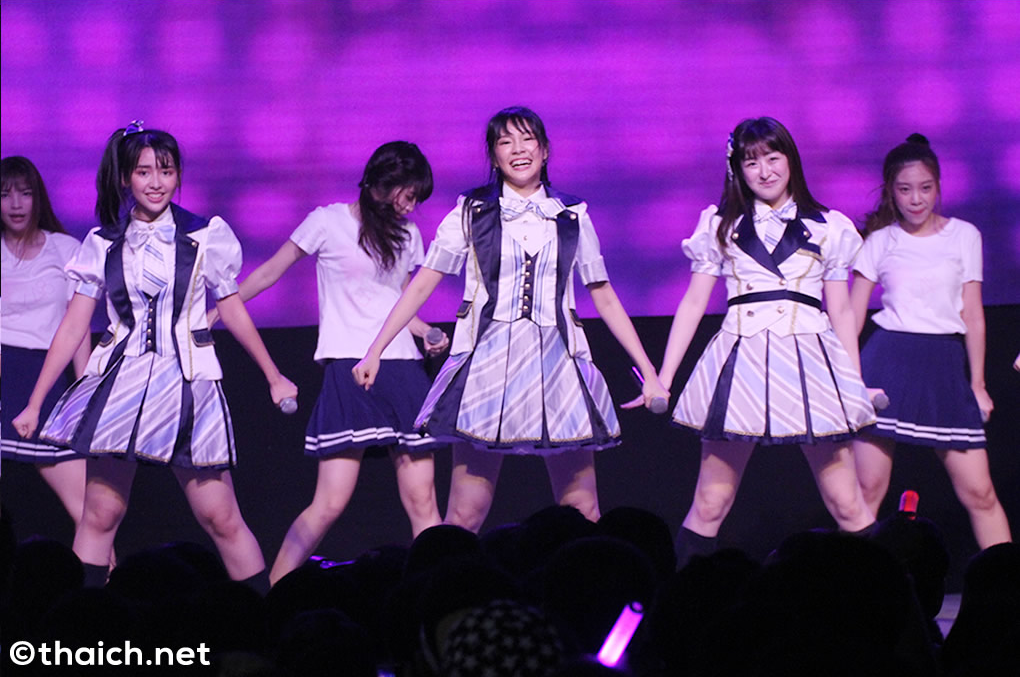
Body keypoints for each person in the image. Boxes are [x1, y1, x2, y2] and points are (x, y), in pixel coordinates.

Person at [12, 122, 298, 590]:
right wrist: (35, 401)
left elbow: (231, 308)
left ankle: (265, 620)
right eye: (144, 172)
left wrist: (273, 375)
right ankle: (83, 620)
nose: (156, 182)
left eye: (166, 171)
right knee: (100, 513)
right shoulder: (103, 243)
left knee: (220, 516)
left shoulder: (204, 235)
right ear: (127, 177)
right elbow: (73, 326)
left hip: (188, 382)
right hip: (120, 385)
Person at [353, 106, 668, 532]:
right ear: (494, 155)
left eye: (527, 139)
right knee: (465, 515)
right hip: (488, 366)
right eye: (505, 142)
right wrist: (375, 349)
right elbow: (424, 282)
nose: (518, 150)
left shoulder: (571, 214)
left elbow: (604, 296)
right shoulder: (472, 211)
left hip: (558, 366)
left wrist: (649, 372)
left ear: (545, 150)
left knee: (582, 511)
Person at [212, 141, 446, 585]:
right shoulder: (328, 221)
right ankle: (275, 592)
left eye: (417, 198)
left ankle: (432, 597)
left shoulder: (408, 235)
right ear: (382, 183)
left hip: (402, 368)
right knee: (329, 503)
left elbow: (399, 304)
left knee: (423, 502)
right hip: (350, 370)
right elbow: (269, 272)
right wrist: (218, 311)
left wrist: (426, 332)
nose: (412, 206)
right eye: (408, 194)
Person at [656, 117, 877, 567]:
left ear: (790, 160)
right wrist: (664, 377)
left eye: (773, 158)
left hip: (810, 362)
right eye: (751, 161)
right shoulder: (720, 224)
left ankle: (889, 602)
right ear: (737, 168)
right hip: (742, 361)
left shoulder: (829, 226)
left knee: (847, 503)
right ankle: (683, 603)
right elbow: (693, 302)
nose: (765, 171)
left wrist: (853, 384)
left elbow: (840, 311)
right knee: (711, 503)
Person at [849, 134, 1011, 549]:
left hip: (943, 365)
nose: (916, 199)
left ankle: (1005, 580)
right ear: (891, 191)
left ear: (938, 186)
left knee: (980, 492)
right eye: (905, 189)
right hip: (887, 363)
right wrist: (847, 380)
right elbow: (850, 315)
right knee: (866, 490)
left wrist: (978, 385)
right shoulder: (880, 241)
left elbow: (973, 314)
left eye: (925, 188)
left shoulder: (964, 235)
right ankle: (849, 584)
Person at [1, 156, 91, 533]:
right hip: (4, 372)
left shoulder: (66, 249)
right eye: (5, 195)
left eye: (25, 193)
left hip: (48, 378)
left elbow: (78, 327)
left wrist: (85, 388)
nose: (16, 204)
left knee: (89, 512)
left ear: (38, 198)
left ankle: (102, 572)